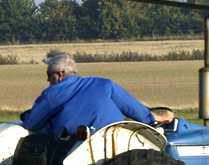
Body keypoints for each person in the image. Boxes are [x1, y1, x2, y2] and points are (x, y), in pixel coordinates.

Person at [22, 53, 181, 137]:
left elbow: (31, 123)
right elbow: (134, 109)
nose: (48, 80)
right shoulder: (104, 84)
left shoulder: (52, 93)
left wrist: (25, 115)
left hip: (77, 147)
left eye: (49, 75)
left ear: (60, 74)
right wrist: (160, 117)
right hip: (117, 140)